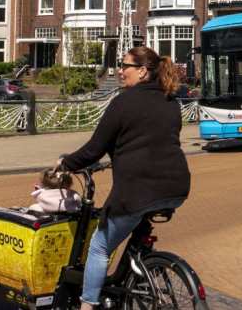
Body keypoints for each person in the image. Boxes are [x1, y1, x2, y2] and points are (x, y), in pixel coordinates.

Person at [56, 46, 191, 310]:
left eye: (125, 65)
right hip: (176, 186)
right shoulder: (170, 102)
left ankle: (88, 304)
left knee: (99, 247)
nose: (120, 70)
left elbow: (94, 149)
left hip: (138, 190)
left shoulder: (122, 103)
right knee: (136, 230)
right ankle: (138, 279)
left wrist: (65, 163)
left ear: (142, 71)